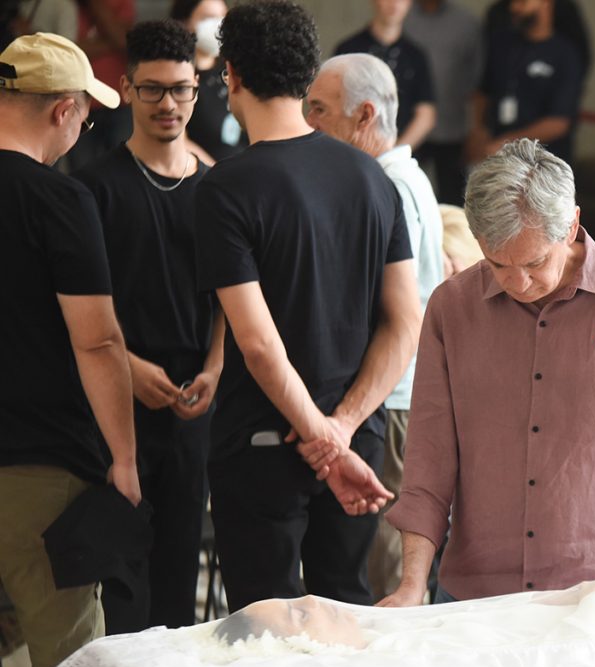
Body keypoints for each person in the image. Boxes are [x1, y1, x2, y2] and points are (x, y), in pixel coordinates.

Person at [379, 139, 595, 607]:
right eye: (498, 265)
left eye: (535, 262)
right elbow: (428, 457)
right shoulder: (451, 308)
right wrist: (412, 586)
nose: (517, 283)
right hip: (476, 594)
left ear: (571, 226)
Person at [194, 0, 421, 612]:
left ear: (231, 75)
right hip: (358, 440)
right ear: (304, 76)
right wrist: (341, 430)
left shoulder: (225, 188)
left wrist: (321, 434)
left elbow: (258, 343)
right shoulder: (373, 179)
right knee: (344, 613)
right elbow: (406, 322)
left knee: (265, 626)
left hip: (264, 443)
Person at [72, 19, 223, 634]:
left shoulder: (216, 190)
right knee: (122, 585)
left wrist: (216, 367)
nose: (168, 103)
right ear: (127, 89)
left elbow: (232, 299)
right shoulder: (92, 189)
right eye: (153, 89)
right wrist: (126, 367)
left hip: (194, 402)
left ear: (197, 91)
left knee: (180, 577)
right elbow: (77, 308)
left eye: (180, 89)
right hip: (116, 401)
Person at [0, 32, 141, 667]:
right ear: (63, 110)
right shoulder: (58, 199)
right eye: (86, 118)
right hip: (41, 468)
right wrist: (125, 458)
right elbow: (98, 340)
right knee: (71, 661)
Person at [306, 53, 445, 601]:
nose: (308, 122)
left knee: (385, 572)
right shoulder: (395, 179)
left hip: (390, 397)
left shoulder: (389, 187)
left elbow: (389, 311)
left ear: (364, 115)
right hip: (389, 395)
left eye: (320, 109)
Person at [213, 578, 595, 647]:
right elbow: (561, 654)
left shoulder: (385, 638)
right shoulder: (400, 660)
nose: (312, 600)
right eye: (299, 616)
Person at [469, 0, 583, 166]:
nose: (514, 7)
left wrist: (507, 143)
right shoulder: (501, 44)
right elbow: (483, 91)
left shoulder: (566, 55)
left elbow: (559, 121)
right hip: (499, 158)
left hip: (544, 162)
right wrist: (479, 130)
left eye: (522, 2)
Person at [404, 0, 482, 206]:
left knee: (453, 198)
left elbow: (478, 83)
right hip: (411, 128)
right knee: (408, 195)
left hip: (452, 127)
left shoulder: (466, 23)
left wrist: (475, 129)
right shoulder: (404, 17)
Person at [333, 0, 435, 151]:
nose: (394, 4)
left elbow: (425, 115)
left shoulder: (416, 56)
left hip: (399, 151)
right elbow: (333, 104)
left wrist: (394, 153)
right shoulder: (348, 50)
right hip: (353, 150)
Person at [170, 0, 246, 164]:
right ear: (184, 23)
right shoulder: (174, 79)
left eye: (223, 17)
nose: (218, 25)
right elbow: (178, 139)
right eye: (208, 18)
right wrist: (217, 173)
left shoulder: (234, 70)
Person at [66, 0, 135, 169]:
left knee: (124, 170)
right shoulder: (63, 6)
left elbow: (124, 40)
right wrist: (113, 40)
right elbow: (65, 53)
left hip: (120, 102)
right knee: (82, 174)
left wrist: (95, 5)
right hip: (75, 103)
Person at [484, 0, 590, 80]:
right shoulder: (498, 12)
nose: (515, 8)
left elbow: (580, 59)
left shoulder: (564, 10)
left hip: (551, 90)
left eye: (522, 2)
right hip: (505, 91)